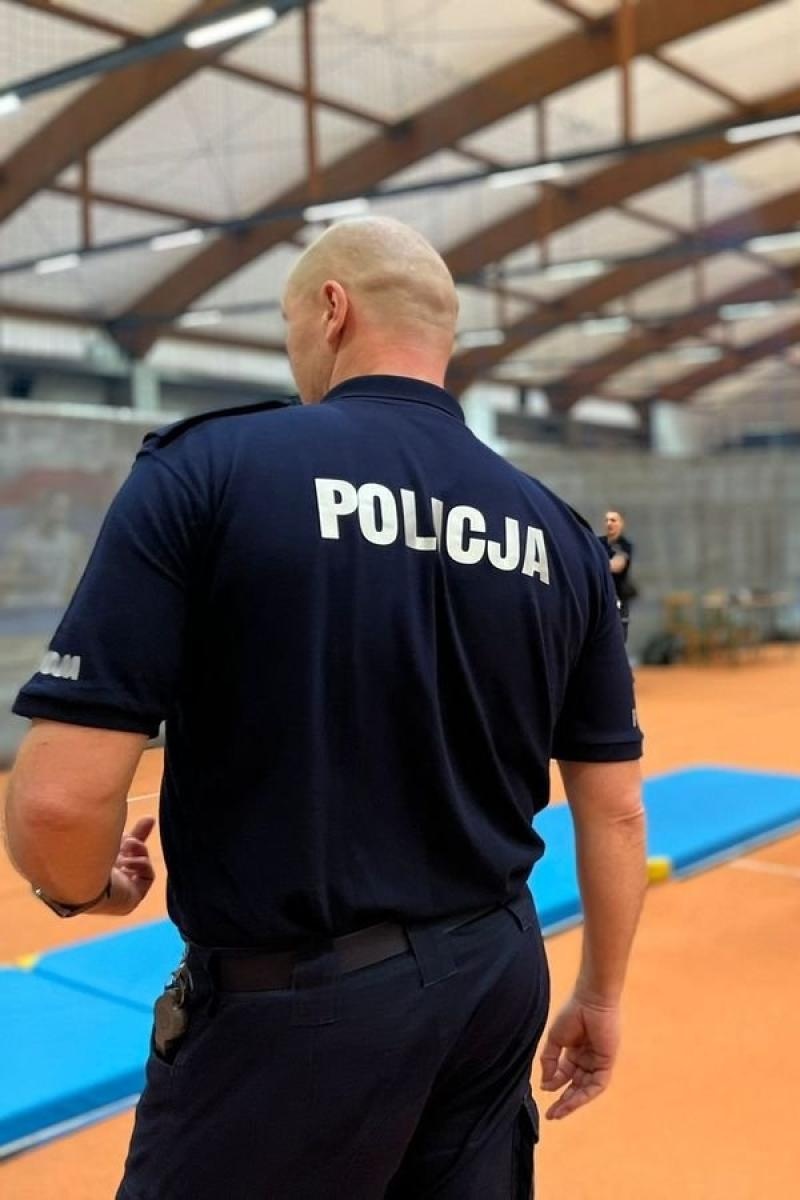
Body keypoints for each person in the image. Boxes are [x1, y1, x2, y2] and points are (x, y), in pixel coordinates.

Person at [3, 217, 647, 1199]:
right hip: (497, 976)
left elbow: (56, 804)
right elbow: (614, 808)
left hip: (300, 1013)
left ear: (333, 310)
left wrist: (85, 889)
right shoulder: (555, 532)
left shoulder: (212, 470)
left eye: (292, 323)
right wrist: (600, 992)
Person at [601, 508, 636, 644]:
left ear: (621, 523)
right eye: (607, 520)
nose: (609, 523)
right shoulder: (599, 543)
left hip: (619, 596)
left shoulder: (625, 545)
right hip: (602, 596)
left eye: (613, 520)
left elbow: (617, 565)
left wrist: (599, 564)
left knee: (619, 636)